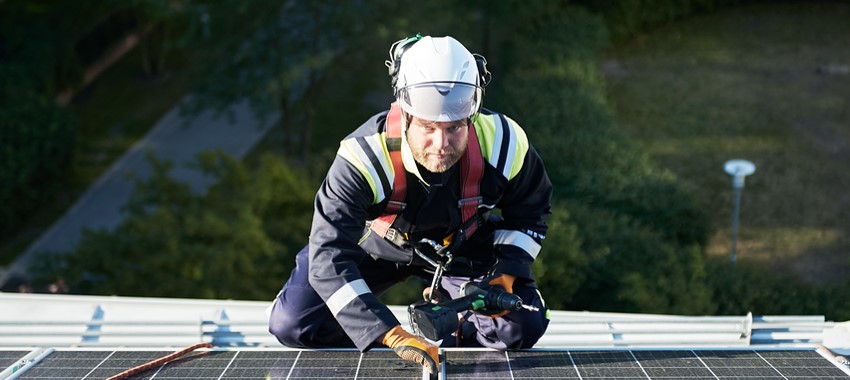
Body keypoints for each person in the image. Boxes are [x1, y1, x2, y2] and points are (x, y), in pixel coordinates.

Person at [268, 34, 552, 374]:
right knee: (293, 322)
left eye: (454, 127)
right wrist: (389, 334)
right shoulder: (363, 159)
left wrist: (507, 270)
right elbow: (328, 258)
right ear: (404, 114)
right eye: (428, 126)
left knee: (519, 327)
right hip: (380, 245)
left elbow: (530, 213)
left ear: (471, 116)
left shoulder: (503, 143)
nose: (441, 144)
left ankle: (454, 327)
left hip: (462, 246)